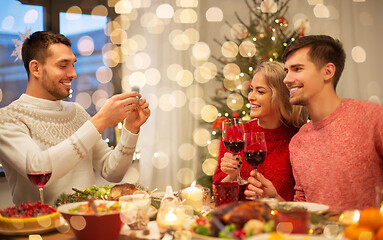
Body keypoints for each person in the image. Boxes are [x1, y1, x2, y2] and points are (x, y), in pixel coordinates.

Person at [0, 31, 150, 205]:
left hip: (89, 222)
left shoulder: (77, 112)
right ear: (36, 68)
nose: (73, 73)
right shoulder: (7, 119)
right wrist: (100, 120)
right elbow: (38, 169)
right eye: (63, 66)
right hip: (41, 228)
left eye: (73, 65)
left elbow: (112, 172)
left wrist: (130, 128)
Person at [246, 35, 383, 211]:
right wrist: (276, 200)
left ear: (328, 71)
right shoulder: (299, 141)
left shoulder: (373, 118)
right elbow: (303, 208)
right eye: (287, 71)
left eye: (297, 69)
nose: (286, 79)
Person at [213, 61, 308, 201]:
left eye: (260, 91)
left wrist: (274, 199)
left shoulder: (298, 139)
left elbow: (302, 206)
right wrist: (231, 176)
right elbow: (220, 199)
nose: (250, 97)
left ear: (280, 97)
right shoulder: (235, 134)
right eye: (251, 89)